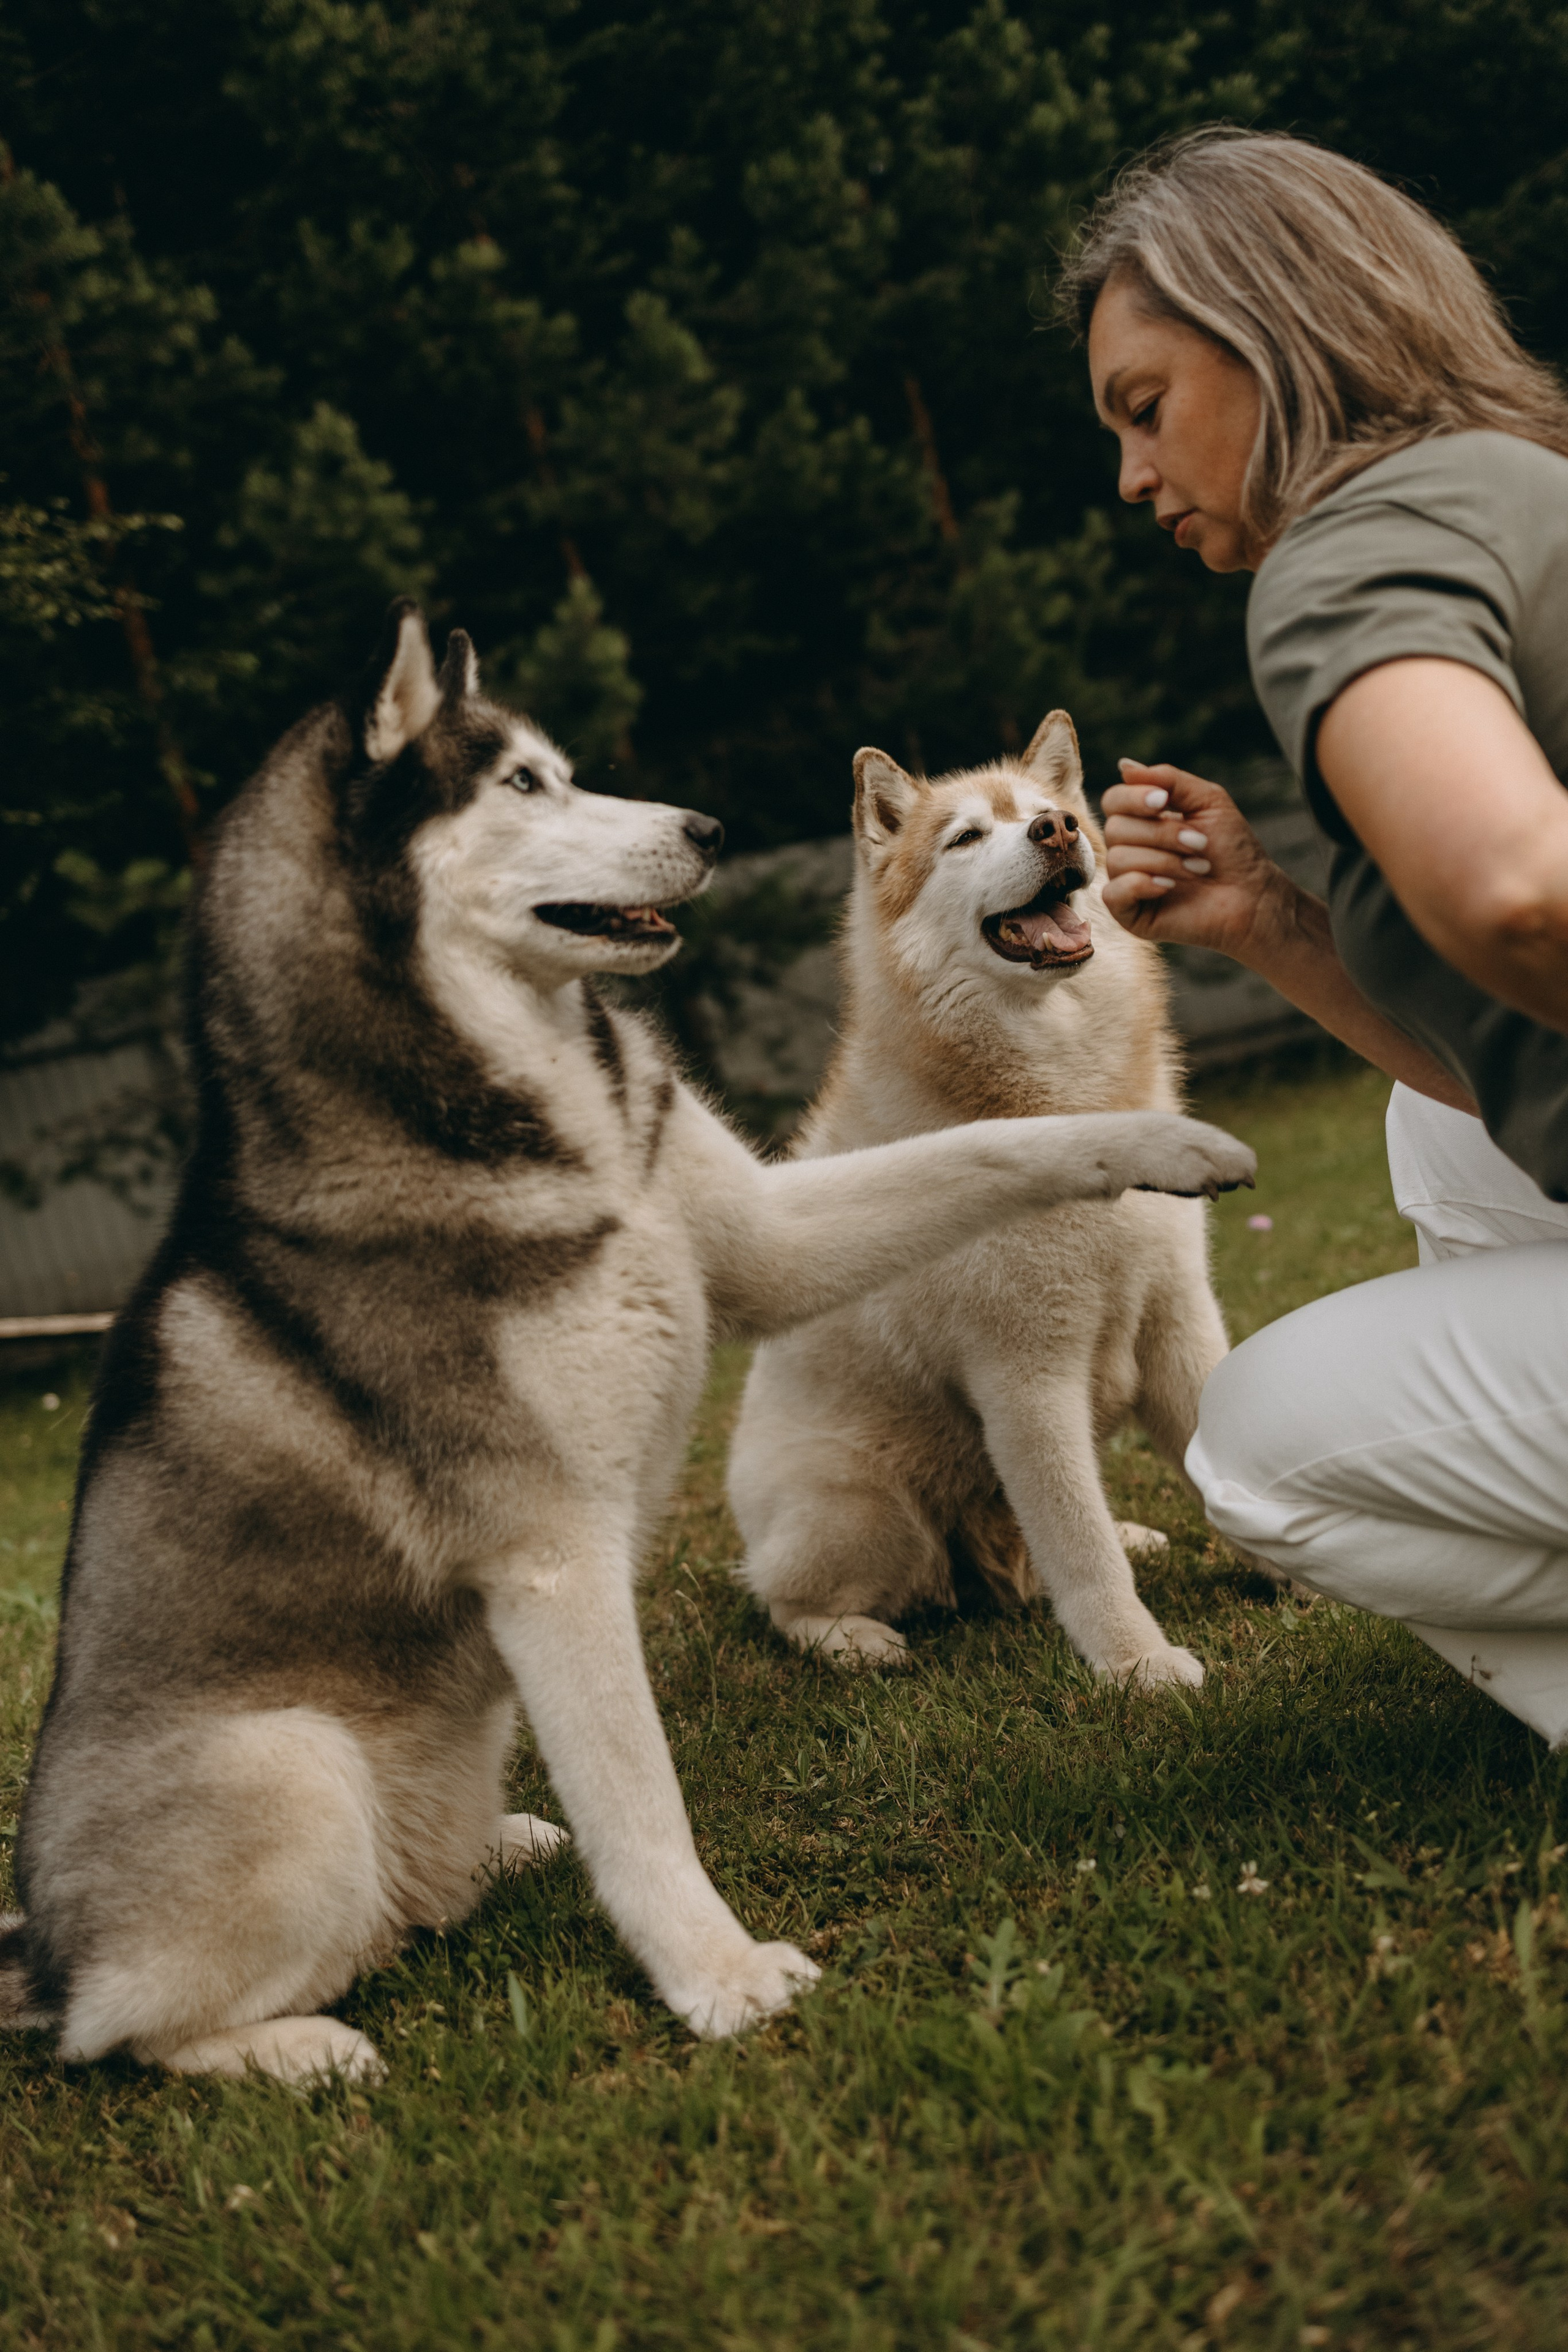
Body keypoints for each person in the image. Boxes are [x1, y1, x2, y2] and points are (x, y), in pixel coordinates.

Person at [1057, 128, 1568, 1744]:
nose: (1132, 477)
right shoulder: (1518, 489)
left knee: (1258, 1442)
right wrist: (1271, 923)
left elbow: (1520, 894)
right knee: (1440, 1133)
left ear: (1281, 330)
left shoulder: (1344, 548)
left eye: (1147, 408)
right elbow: (1515, 1058)